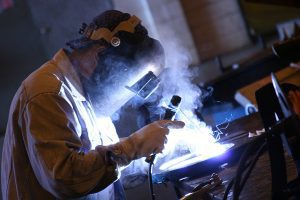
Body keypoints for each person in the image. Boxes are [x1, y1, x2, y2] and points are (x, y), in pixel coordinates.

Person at [1, 10, 185, 200]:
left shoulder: (87, 96)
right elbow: (67, 178)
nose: (123, 97)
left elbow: (100, 169)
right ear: (100, 56)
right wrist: (134, 146)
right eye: (126, 83)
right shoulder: (48, 93)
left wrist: (154, 150)